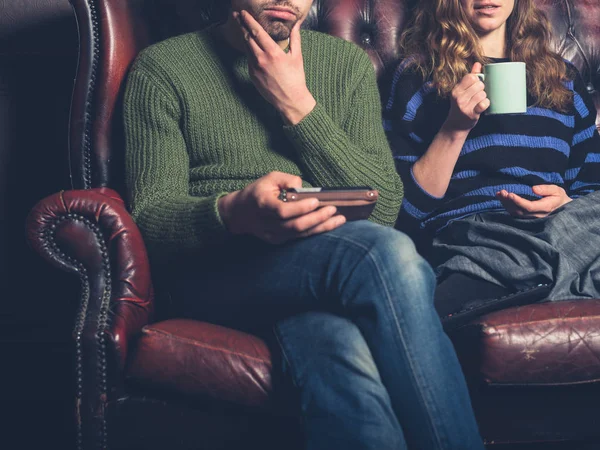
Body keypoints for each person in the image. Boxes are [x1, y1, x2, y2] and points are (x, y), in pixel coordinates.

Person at [123, 0, 485, 448]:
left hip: (321, 268)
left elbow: (386, 205)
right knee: (383, 254)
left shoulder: (344, 64)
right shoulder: (162, 68)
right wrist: (233, 211)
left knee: (335, 345)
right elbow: (149, 219)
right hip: (218, 270)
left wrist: (297, 106)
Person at [384, 0, 600, 322]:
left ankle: (535, 273)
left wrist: (565, 204)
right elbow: (404, 212)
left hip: (559, 227)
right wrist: (455, 128)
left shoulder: (564, 79)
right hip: (477, 237)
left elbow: (591, 190)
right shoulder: (417, 75)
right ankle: (546, 274)